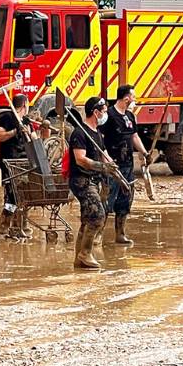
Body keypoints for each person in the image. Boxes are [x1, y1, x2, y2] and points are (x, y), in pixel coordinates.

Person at [101, 84, 149, 245]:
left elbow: (134, 136)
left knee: (125, 199)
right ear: (126, 98)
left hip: (128, 165)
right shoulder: (109, 116)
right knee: (108, 199)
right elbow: (99, 138)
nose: (134, 100)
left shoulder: (129, 116)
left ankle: (120, 234)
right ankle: (97, 235)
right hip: (113, 165)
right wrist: (104, 157)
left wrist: (144, 152)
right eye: (133, 97)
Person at [69, 96, 111, 269]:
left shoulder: (97, 133)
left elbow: (104, 154)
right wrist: (101, 166)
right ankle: (86, 253)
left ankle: (79, 259)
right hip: (81, 180)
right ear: (95, 112)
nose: (105, 114)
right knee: (97, 216)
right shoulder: (80, 133)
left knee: (87, 217)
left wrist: (110, 165)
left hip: (94, 179)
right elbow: (80, 159)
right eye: (103, 111)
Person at [0, 92, 32, 237]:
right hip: (10, 163)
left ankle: (20, 226)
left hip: (24, 163)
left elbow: (34, 139)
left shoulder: (26, 120)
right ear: (24, 105)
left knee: (25, 195)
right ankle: (4, 226)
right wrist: (15, 131)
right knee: (12, 196)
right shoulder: (7, 118)